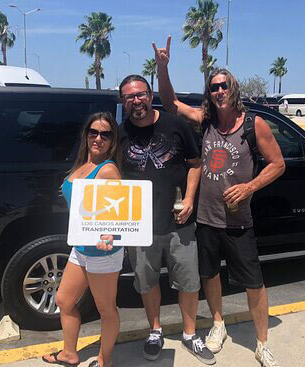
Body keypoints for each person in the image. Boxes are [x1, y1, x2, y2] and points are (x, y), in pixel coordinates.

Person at [153, 36, 286, 367]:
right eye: (214, 87)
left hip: (239, 221)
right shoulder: (206, 120)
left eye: (224, 85)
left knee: (253, 283)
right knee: (210, 276)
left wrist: (248, 187)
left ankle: (262, 343)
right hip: (207, 219)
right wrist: (163, 68)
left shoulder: (255, 125)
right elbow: (170, 104)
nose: (219, 91)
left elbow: (278, 164)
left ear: (234, 88)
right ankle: (218, 325)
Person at [118, 74, 216, 365]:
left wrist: (189, 199)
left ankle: (189, 334)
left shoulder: (176, 125)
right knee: (147, 282)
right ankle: (155, 331)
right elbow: (105, 171)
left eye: (140, 94)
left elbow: (196, 164)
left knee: (188, 281)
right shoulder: (120, 133)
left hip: (179, 221)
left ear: (150, 95)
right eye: (129, 97)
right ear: (123, 102)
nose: (136, 100)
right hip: (139, 226)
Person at [43, 112, 122, 367]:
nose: (98, 138)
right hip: (80, 246)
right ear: (86, 135)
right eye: (93, 132)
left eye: (105, 134)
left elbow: (121, 213)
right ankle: (69, 353)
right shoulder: (82, 164)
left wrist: (110, 237)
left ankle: (104, 359)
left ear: (113, 140)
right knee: (64, 301)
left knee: (106, 309)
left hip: (103, 251)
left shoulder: (107, 170)